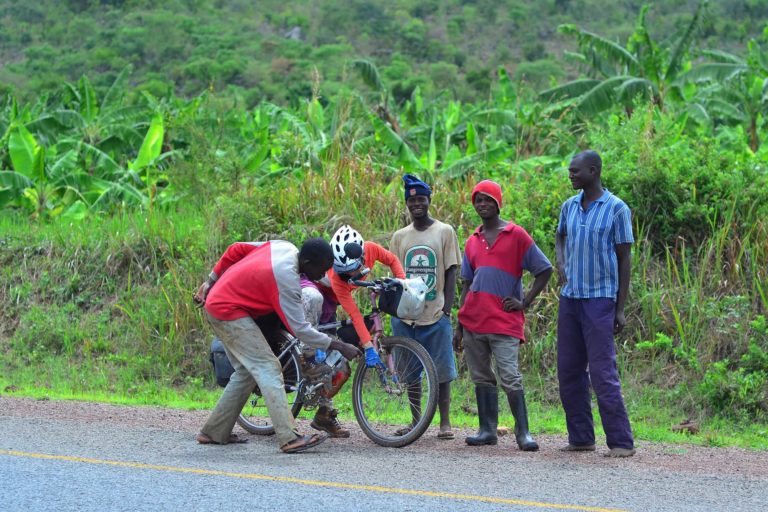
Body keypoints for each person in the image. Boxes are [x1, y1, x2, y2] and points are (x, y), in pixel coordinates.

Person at [193, 238, 361, 453]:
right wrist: (337, 345)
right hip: (227, 310)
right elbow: (301, 330)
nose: (322, 276)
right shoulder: (287, 280)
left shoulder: (283, 246)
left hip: (224, 302)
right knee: (268, 367)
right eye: (320, 270)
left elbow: (235, 248)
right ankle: (289, 437)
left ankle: (213, 432)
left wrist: (210, 281)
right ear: (308, 262)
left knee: (246, 372)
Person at [454, 180, 552, 451]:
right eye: (477, 200)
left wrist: (524, 302)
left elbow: (544, 269)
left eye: (487, 199)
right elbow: (466, 284)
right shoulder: (472, 240)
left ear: (498, 203)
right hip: (474, 321)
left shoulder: (516, 234)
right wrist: (460, 324)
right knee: (481, 377)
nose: (482, 204)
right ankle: (487, 430)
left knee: (510, 376)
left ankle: (524, 433)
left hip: (504, 322)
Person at [555, 150, 636, 458]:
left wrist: (620, 308)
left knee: (603, 373)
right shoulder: (568, 207)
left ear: (593, 171)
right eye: (570, 171)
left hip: (600, 299)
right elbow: (559, 236)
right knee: (569, 371)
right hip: (571, 300)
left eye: (576, 171)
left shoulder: (616, 209)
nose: (571, 175)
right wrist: (561, 262)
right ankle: (581, 437)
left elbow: (624, 258)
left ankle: (620, 442)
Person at [303, 224, 407, 438]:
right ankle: (319, 399)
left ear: (361, 257)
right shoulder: (336, 279)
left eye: (351, 269)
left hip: (333, 302)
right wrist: (368, 346)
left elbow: (393, 260)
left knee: (344, 362)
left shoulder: (370, 249)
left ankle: (322, 415)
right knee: (329, 363)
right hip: (320, 301)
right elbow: (354, 314)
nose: (348, 274)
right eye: (342, 271)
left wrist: (402, 285)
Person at [389, 174, 461, 439]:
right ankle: (416, 421)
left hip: (435, 312)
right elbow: (397, 275)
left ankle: (445, 423)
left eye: (421, 199)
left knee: (442, 371)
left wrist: (447, 309)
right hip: (407, 316)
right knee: (411, 371)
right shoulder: (399, 237)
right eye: (411, 200)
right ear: (407, 204)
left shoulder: (444, 231)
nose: (416, 204)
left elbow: (451, 270)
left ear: (429, 200)